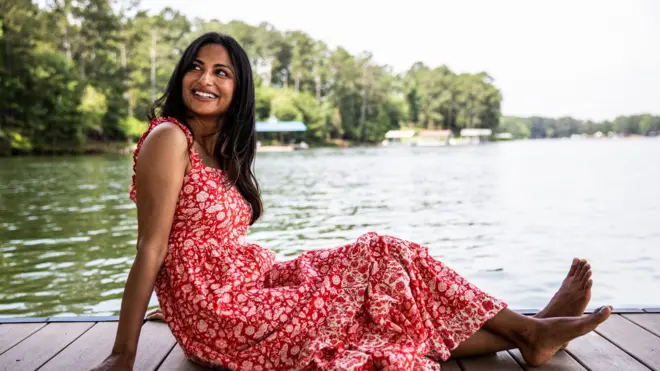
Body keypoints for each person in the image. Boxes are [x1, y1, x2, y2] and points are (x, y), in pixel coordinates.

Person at [92, 32, 611, 371]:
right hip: (225, 312)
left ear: (238, 87)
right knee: (366, 300)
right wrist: (124, 352)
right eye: (196, 67)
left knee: (384, 262)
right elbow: (151, 248)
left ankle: (530, 329)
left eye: (221, 72)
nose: (205, 79)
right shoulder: (169, 138)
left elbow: (198, 243)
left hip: (247, 284)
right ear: (181, 74)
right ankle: (530, 330)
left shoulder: (218, 149)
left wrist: (173, 304)